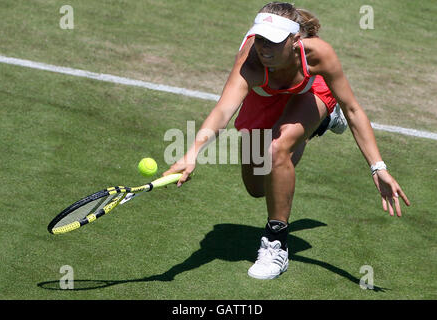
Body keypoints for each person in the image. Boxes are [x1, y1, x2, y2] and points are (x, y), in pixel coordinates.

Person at [164, 2, 410, 280]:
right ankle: (320, 124)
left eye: (274, 41)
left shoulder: (318, 54)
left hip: (310, 90)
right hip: (266, 95)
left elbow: (353, 109)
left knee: (277, 149)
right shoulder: (251, 62)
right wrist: (192, 153)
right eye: (260, 39)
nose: (264, 47)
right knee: (257, 186)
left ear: (295, 41)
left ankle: (276, 242)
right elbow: (223, 110)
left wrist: (378, 167)